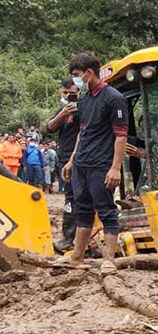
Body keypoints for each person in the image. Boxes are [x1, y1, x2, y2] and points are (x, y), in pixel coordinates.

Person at [61, 52, 128, 267]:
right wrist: (72, 160)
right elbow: (83, 132)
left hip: (101, 165)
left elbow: (121, 135)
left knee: (106, 210)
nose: (76, 79)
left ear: (89, 73)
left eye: (77, 75)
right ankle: (77, 257)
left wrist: (115, 168)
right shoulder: (84, 99)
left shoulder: (114, 98)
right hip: (82, 164)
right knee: (83, 211)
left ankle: (109, 260)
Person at [44, 77, 82, 249]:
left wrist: (74, 159)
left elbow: (84, 134)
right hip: (64, 160)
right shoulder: (63, 109)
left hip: (79, 159)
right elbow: (50, 128)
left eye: (71, 93)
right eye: (65, 93)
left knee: (79, 198)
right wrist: (63, 113)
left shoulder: (85, 108)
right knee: (69, 199)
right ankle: (68, 237)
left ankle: (79, 240)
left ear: (79, 92)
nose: (68, 96)